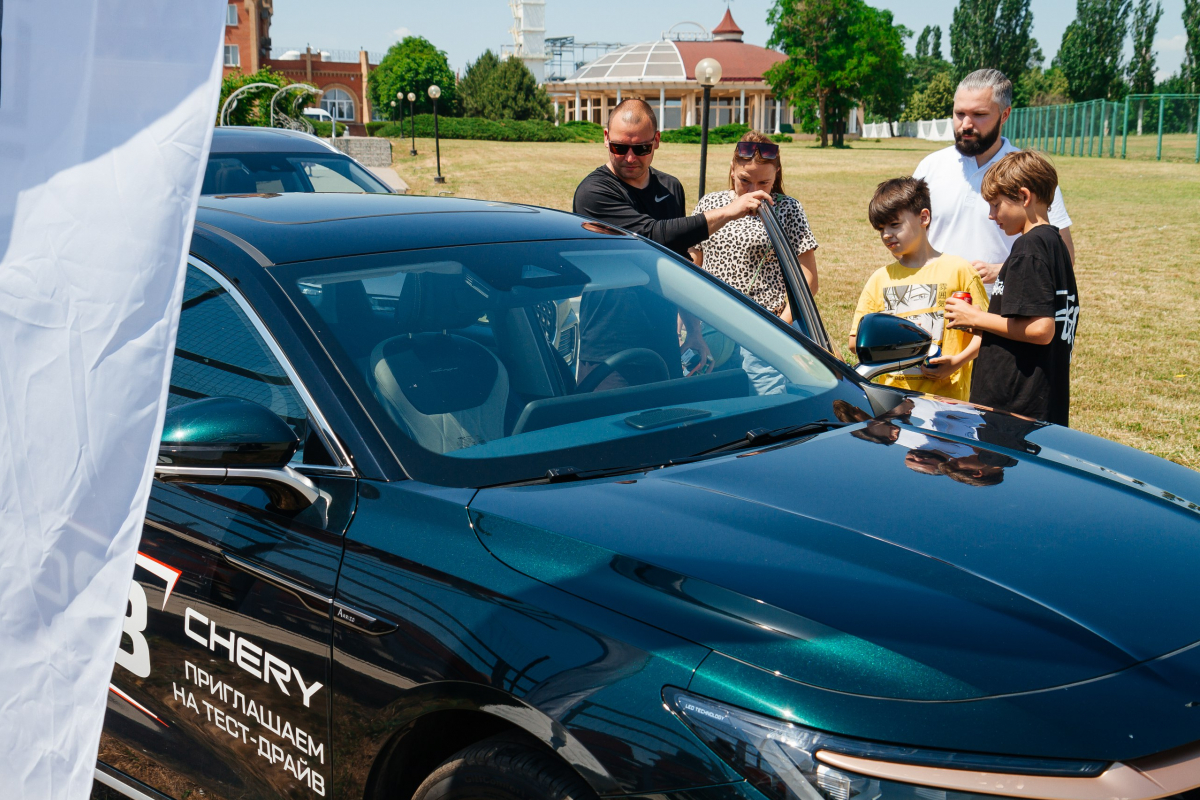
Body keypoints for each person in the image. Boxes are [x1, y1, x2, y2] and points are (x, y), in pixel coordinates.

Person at [573, 98, 772, 389]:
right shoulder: (594, 192)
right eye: (619, 147)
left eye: (640, 148)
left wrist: (693, 332)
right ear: (606, 139)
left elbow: (677, 264)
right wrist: (730, 211)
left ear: (656, 141)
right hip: (608, 349)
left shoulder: (670, 188)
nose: (630, 157)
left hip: (663, 343)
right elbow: (651, 235)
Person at [944, 150, 1079, 427]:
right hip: (1041, 400)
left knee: (991, 469)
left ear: (1025, 197)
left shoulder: (1028, 248)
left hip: (1014, 406)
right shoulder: (1054, 244)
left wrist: (976, 318)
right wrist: (985, 322)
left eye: (996, 205)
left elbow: (1041, 330)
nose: (992, 215)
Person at [913, 69, 1075, 292]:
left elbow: (1062, 256)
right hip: (933, 307)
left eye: (979, 114)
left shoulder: (1031, 173)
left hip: (1004, 313)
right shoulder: (930, 167)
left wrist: (1001, 270)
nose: (966, 124)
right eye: (959, 114)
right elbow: (909, 237)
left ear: (1005, 114)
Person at [687, 131, 819, 394]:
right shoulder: (711, 203)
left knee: (767, 404)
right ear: (732, 169)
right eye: (745, 180)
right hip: (712, 326)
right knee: (710, 400)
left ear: (777, 174)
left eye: (764, 183)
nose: (753, 191)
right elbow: (692, 264)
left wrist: (781, 325)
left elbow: (809, 278)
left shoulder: (787, 208)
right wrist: (689, 324)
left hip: (764, 328)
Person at [848, 177, 988, 402]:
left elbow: (985, 334)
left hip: (948, 404)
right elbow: (855, 343)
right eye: (881, 228)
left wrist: (957, 362)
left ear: (924, 217)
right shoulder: (879, 279)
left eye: (894, 224)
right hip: (892, 404)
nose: (886, 234)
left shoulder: (960, 271)